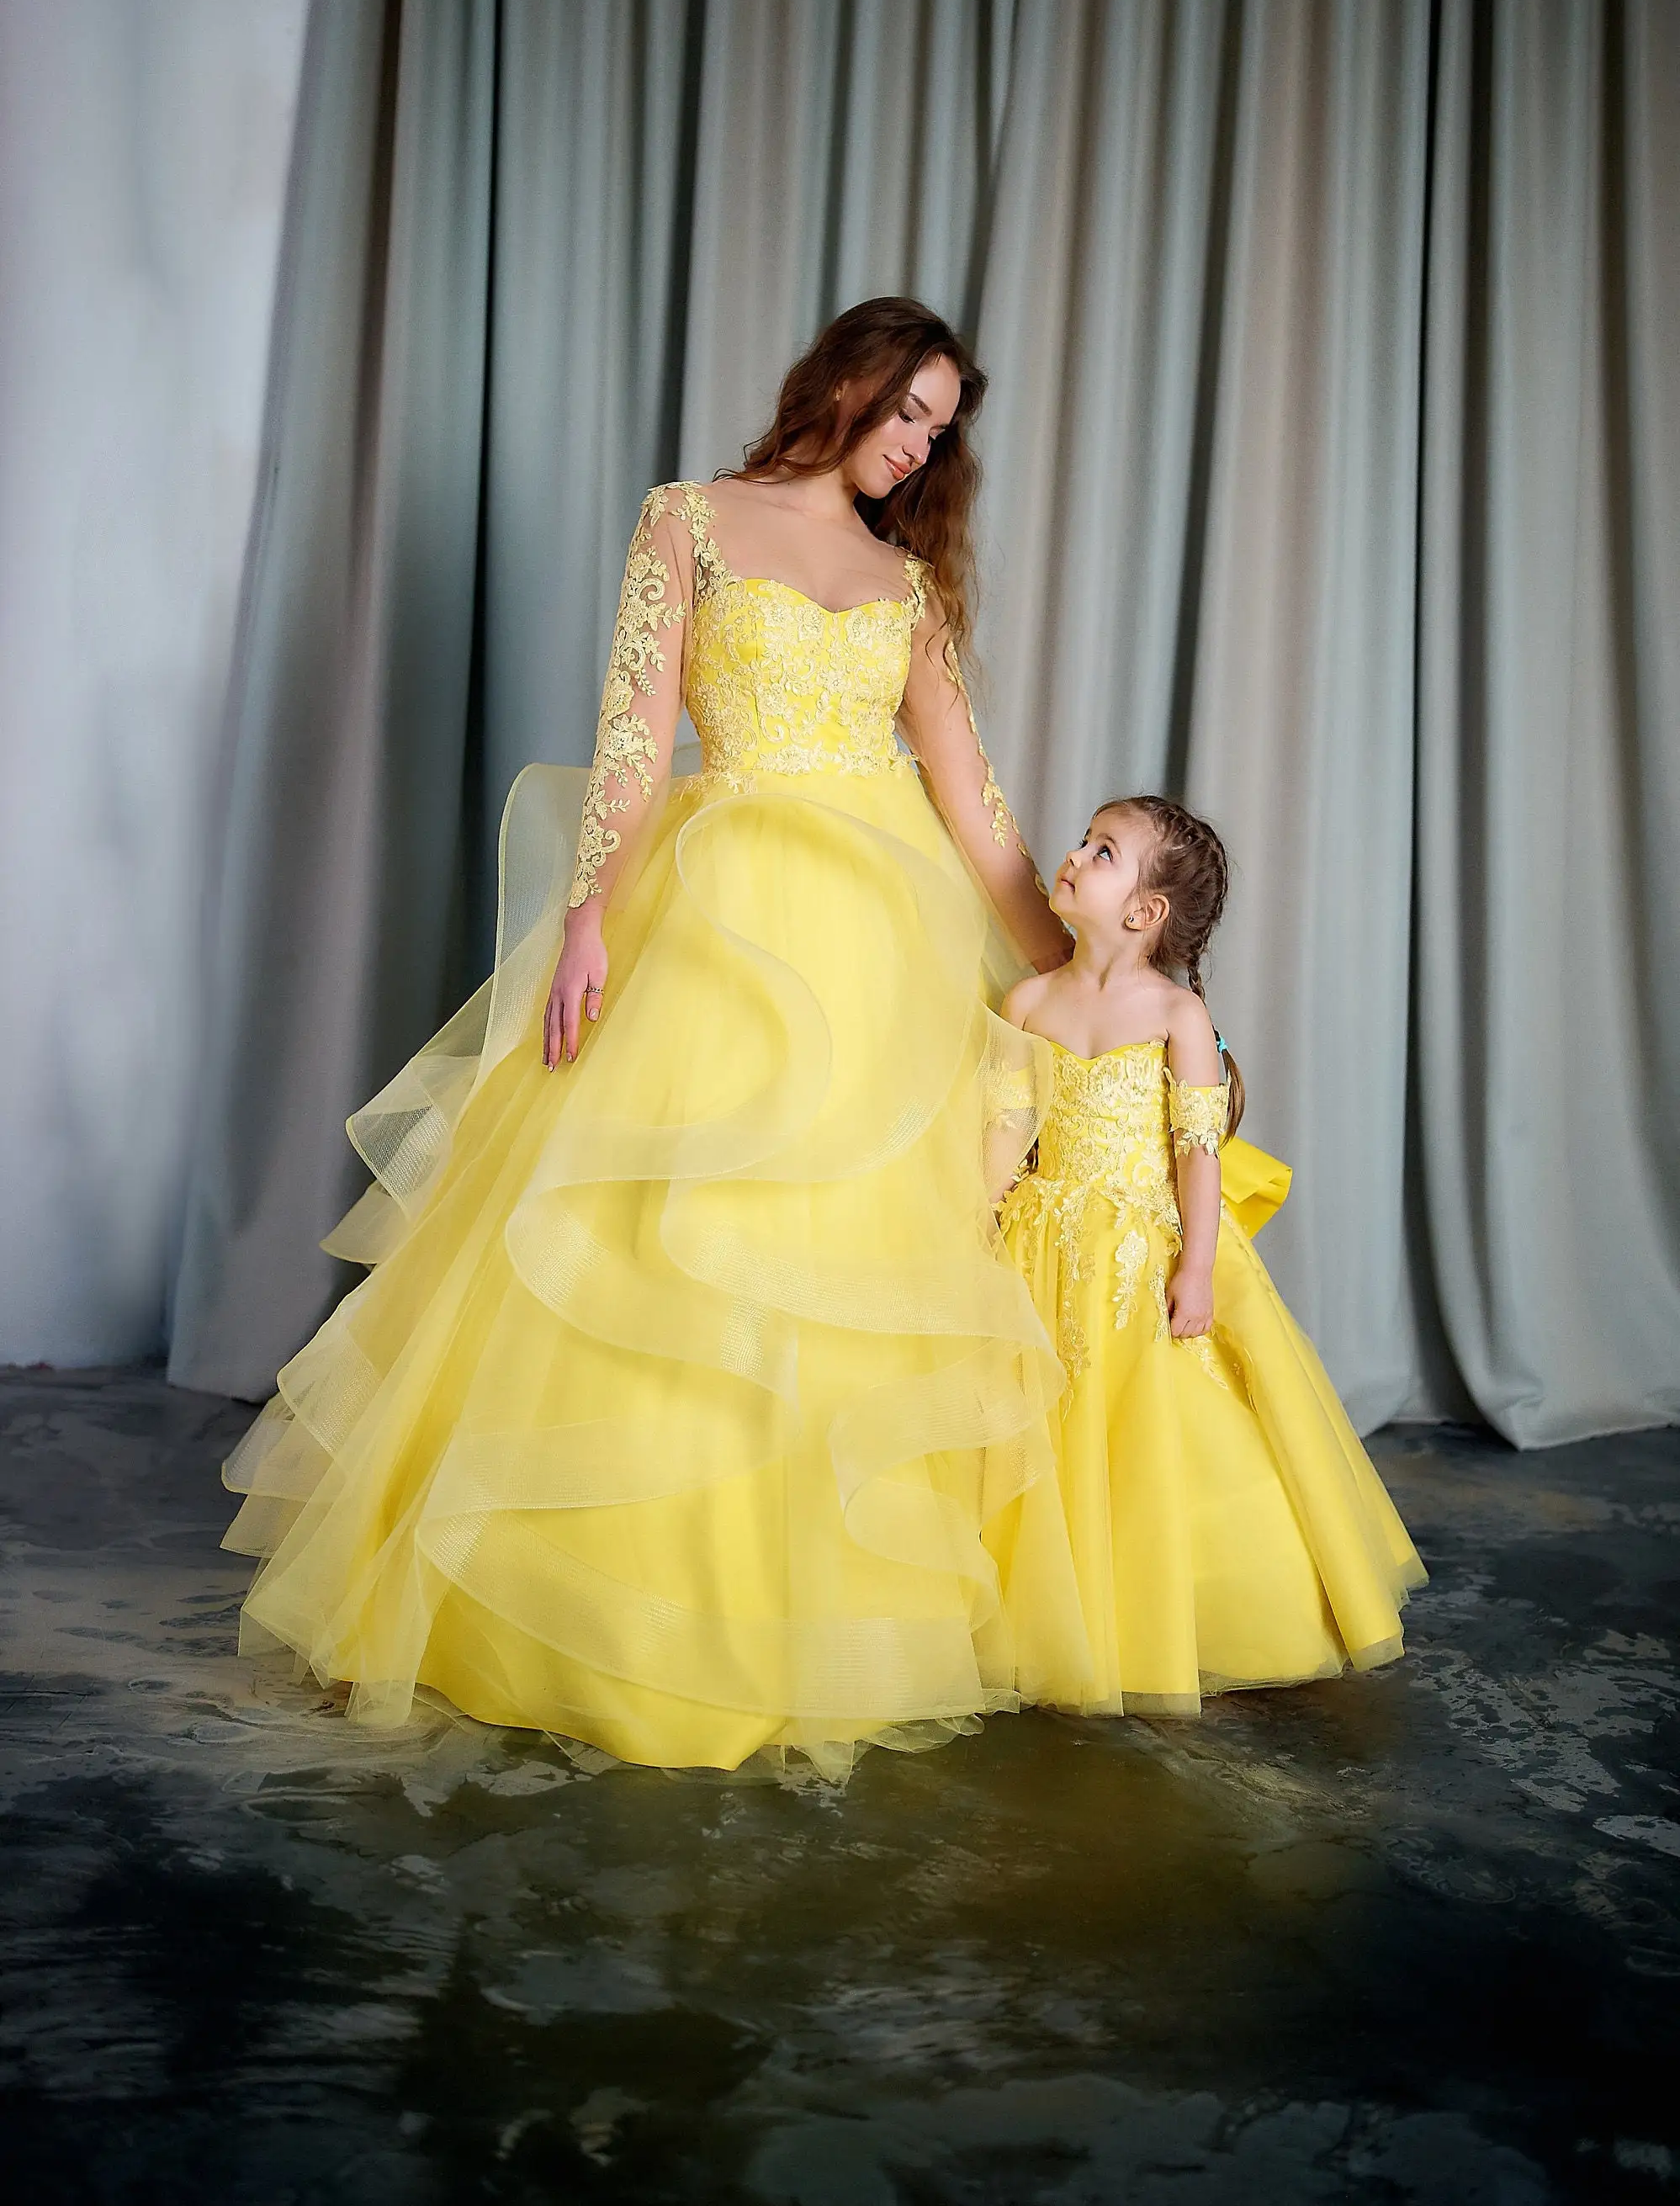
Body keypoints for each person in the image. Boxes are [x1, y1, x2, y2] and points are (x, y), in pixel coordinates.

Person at [223, 300, 1073, 1779]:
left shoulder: (906, 582)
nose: (915, 445)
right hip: (718, 907)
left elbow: (974, 805)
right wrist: (594, 918)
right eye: (903, 411)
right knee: (662, 1243)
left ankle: (803, 1614)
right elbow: (630, 737)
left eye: (937, 429)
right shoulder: (689, 519)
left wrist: (1078, 978)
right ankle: (609, 1612)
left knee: (836, 1261)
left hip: (874, 945)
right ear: (844, 384)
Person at [986, 793, 1425, 1714]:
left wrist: (1192, 1267)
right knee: (1040, 1431)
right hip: (1041, 1243)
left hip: (1139, 1253)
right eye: (1084, 840)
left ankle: (1164, 1613)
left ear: (1143, 914)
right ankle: (1042, 1614)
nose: (1069, 855)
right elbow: (1006, 1131)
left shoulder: (1173, 1013)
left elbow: (1196, 1153)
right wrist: (975, 1221)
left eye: (1100, 851)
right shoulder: (1026, 1001)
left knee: (1147, 1433)